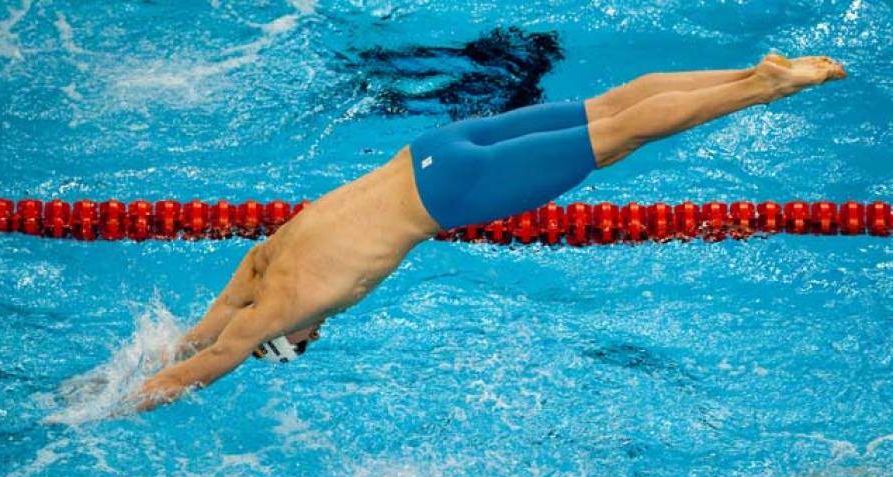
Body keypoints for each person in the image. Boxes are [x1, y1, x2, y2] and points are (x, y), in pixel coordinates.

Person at [137, 53, 846, 411]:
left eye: (295, 347)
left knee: (617, 135)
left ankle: (766, 87)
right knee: (605, 107)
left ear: (280, 335)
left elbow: (209, 359)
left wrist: (108, 410)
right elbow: (208, 328)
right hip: (433, 150)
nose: (310, 340)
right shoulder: (265, 262)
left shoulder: (288, 307)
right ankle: (751, 71)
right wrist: (154, 353)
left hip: (451, 190)